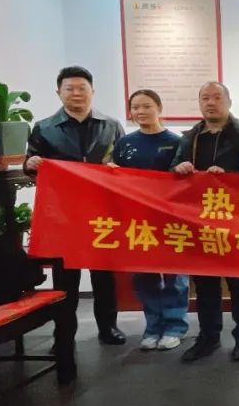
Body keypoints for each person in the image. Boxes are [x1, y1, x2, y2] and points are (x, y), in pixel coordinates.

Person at [25, 66, 126, 359]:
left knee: (104, 275)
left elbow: (123, 162)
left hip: (101, 211)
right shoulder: (44, 128)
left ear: (92, 91)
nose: (76, 93)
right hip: (64, 214)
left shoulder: (111, 125)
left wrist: (119, 169)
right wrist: (29, 164)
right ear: (59, 92)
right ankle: (63, 336)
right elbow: (32, 163)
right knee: (66, 279)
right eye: (70, 88)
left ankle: (108, 327)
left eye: (82, 88)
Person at [171, 81, 239, 364]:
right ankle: (208, 336)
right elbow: (172, 171)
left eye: (217, 97)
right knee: (205, 282)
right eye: (205, 98)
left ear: (229, 102)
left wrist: (230, 175)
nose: (211, 102)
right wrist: (179, 167)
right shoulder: (190, 138)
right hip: (200, 220)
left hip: (235, 220)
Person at [111, 89, 188, 351]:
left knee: (175, 276)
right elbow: (113, 176)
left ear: (159, 108)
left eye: (147, 106)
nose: (141, 112)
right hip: (137, 219)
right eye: (136, 107)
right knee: (144, 275)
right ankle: (153, 327)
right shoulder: (125, 143)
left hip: (170, 218)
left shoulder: (176, 142)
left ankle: (175, 327)